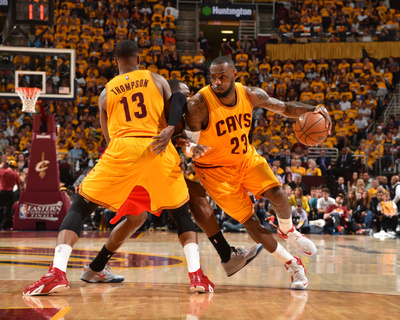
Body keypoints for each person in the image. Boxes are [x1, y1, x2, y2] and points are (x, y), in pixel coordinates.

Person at [24, 40, 212, 296]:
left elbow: (109, 138)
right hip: (157, 148)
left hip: (122, 150)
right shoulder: (156, 79)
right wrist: (170, 128)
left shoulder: (105, 93)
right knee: (180, 215)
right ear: (138, 57)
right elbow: (177, 104)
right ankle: (197, 276)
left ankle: (57, 271)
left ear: (115, 60)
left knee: (80, 207)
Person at [79, 80, 263, 284]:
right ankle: (225, 255)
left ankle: (96, 267)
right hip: (135, 166)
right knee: (194, 194)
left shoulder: (174, 116)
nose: (188, 100)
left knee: (136, 218)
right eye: (183, 95)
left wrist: (188, 144)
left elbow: (180, 139)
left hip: (128, 167)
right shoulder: (163, 109)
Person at [184, 56, 332, 289]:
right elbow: (185, 141)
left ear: (235, 75)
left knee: (278, 195)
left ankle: (288, 230)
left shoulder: (251, 94)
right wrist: (193, 149)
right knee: (251, 222)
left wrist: (315, 109)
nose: (216, 82)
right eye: (213, 77)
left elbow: (284, 108)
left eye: (222, 77)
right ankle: (293, 263)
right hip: (215, 172)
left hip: (245, 158)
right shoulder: (198, 104)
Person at [0, 161, 22, 230]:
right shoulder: (15, 174)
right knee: (8, 209)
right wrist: (21, 194)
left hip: (2, 192)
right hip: (10, 193)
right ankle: (4, 225)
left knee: (0, 208)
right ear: (15, 167)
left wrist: (1, 166)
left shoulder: (2, 171)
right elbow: (19, 185)